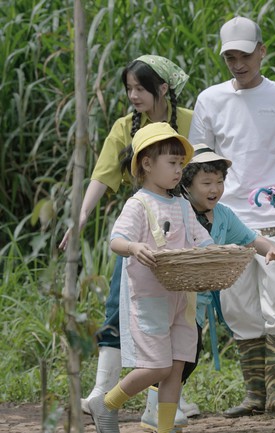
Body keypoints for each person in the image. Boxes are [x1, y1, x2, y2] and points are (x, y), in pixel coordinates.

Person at [58, 54, 197, 427]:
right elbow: (102, 176)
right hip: (144, 233)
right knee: (120, 306)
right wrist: (82, 216)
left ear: (163, 89)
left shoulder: (187, 121)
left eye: (141, 88)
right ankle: (102, 391)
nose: (133, 95)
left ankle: (162, 407)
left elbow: (205, 170)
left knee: (184, 323)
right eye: (129, 89)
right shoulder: (125, 127)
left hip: (184, 227)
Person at [188, 16, 275, 417]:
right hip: (226, 220)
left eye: (244, 54)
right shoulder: (210, 99)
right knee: (238, 307)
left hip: (274, 216)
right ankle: (254, 396)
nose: (238, 63)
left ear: (262, 50)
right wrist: (203, 210)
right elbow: (199, 160)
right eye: (230, 56)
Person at [86, 122, 212, 433]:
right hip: (150, 300)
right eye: (172, 163)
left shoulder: (183, 204)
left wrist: (215, 254)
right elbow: (117, 240)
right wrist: (133, 247)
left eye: (180, 164)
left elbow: (202, 240)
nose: (178, 170)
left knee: (176, 367)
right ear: (146, 164)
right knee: (158, 366)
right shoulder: (139, 203)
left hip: (183, 300)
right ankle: (108, 401)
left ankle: (164, 428)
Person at [178, 144, 275, 366]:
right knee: (169, 361)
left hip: (198, 305)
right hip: (173, 302)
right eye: (207, 183)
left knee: (188, 361)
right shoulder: (176, 210)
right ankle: (147, 401)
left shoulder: (223, 215)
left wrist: (270, 250)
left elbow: (250, 239)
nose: (215, 189)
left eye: (219, 182)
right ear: (187, 185)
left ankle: (171, 402)